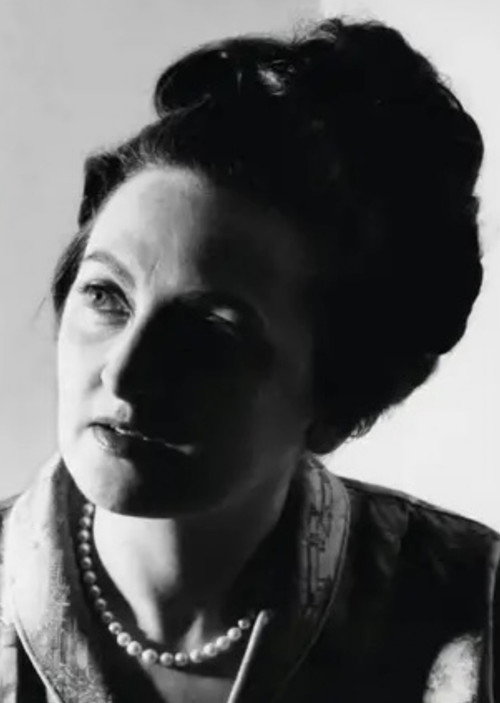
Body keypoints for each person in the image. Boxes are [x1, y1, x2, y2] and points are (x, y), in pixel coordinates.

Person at [0, 16, 496, 703]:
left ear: (338, 398)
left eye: (208, 335)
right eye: (106, 297)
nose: (123, 373)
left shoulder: (473, 613)